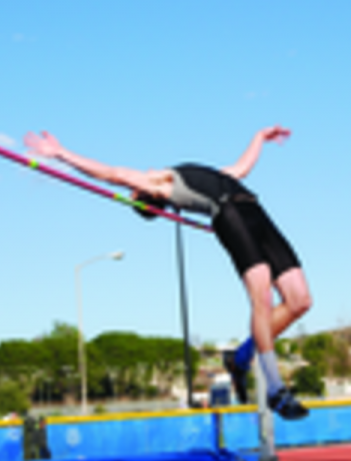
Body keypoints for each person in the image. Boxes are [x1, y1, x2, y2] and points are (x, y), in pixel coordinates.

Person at [23, 126, 312, 420]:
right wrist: (61, 154)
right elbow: (111, 173)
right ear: (147, 193)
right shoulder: (161, 182)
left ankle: (240, 356)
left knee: (300, 300)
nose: (142, 172)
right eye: (137, 184)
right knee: (260, 293)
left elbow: (240, 169)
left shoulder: (208, 178)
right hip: (231, 216)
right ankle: (275, 389)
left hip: (255, 211)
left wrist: (259, 138)